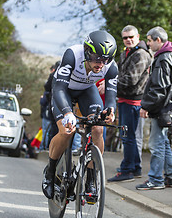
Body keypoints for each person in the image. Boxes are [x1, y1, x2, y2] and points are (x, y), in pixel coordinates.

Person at [42, 30, 118, 199]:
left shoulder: (110, 67)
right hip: (64, 90)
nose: (101, 63)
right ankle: (50, 171)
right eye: (97, 58)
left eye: (106, 59)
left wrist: (110, 111)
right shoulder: (72, 55)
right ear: (87, 52)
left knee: (98, 129)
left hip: (86, 91)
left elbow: (112, 97)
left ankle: (90, 180)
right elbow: (59, 88)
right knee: (67, 131)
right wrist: (67, 112)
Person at [108, 25, 152, 182]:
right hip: (125, 100)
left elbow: (131, 80)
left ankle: (128, 170)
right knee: (130, 136)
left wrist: (110, 84)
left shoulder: (141, 54)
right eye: (125, 37)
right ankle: (134, 167)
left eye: (131, 37)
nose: (128, 40)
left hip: (134, 101)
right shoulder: (125, 53)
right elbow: (119, 74)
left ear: (138, 37)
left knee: (128, 137)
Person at [136, 26, 172, 190]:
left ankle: (155, 179)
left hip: (162, 107)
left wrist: (146, 105)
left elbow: (159, 88)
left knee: (156, 144)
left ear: (158, 40)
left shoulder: (163, 58)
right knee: (164, 143)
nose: (148, 44)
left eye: (149, 40)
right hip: (169, 107)